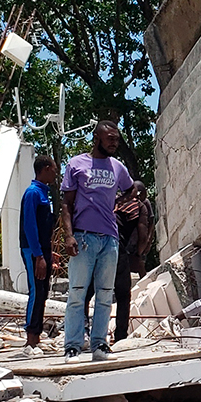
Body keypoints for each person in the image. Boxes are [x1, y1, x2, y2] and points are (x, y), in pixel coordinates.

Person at [60, 121, 133, 361]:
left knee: (105, 294)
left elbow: (131, 189)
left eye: (116, 139)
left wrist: (121, 202)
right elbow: (66, 205)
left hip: (109, 239)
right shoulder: (76, 164)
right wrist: (68, 235)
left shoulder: (118, 167)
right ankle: (72, 345)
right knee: (77, 293)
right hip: (83, 237)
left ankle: (100, 346)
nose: (114, 143)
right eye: (110, 138)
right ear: (97, 138)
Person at [17, 156, 58, 357]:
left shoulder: (44, 194)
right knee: (36, 290)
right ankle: (31, 337)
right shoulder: (32, 193)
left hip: (43, 250)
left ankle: (37, 338)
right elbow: (30, 226)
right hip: (34, 251)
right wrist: (38, 255)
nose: (56, 173)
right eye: (54, 169)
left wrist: (49, 251)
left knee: (43, 292)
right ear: (46, 168)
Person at [113, 180, 153, 346]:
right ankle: (120, 336)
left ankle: (86, 333)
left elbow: (149, 227)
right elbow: (144, 232)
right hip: (123, 248)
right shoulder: (139, 205)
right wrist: (140, 251)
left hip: (104, 244)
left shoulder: (114, 202)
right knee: (123, 294)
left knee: (97, 289)